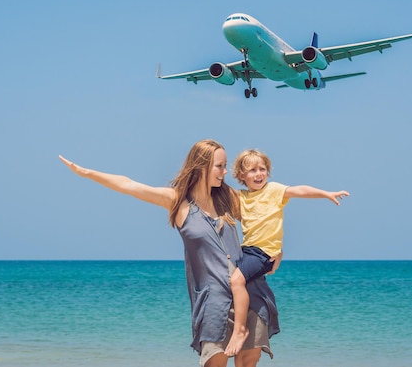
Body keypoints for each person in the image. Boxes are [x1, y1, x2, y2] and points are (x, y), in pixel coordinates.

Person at [59, 140, 279, 367]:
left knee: (248, 362)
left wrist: (277, 251)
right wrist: (86, 172)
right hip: (214, 301)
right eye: (219, 166)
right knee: (214, 363)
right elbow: (129, 185)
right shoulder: (178, 202)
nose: (225, 172)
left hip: (250, 291)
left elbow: (266, 219)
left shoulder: (230, 198)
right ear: (201, 167)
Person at [224, 148, 349, 356]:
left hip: (264, 253)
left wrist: (326, 194)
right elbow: (220, 192)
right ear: (241, 176)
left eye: (262, 169)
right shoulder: (242, 197)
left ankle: (240, 331)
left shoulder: (273, 191)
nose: (258, 174)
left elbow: (299, 190)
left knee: (236, 281)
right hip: (247, 250)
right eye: (252, 170)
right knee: (234, 281)